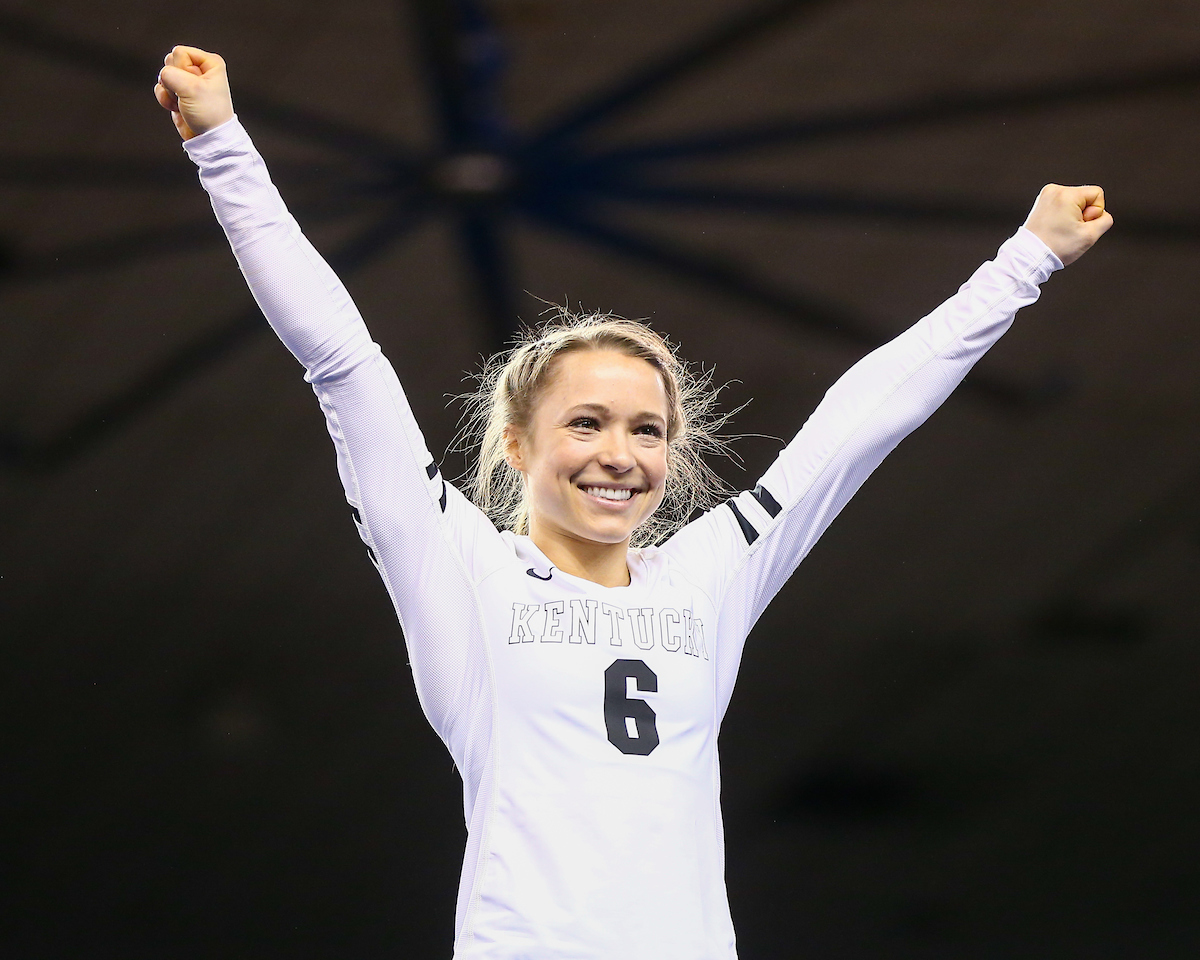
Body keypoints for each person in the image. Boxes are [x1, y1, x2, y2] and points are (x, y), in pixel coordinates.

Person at [155, 44, 1112, 960]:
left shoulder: (707, 575)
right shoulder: (461, 569)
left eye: (647, 431)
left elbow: (861, 423)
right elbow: (343, 362)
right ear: (518, 444)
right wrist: (223, 148)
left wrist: (1025, 260)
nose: (620, 455)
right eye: (587, 424)